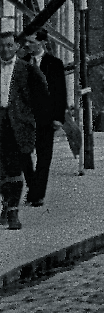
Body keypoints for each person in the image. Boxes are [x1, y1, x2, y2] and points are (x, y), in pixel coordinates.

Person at [1, 32, 49, 230]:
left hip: (17, 126)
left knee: (14, 169)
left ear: (16, 47)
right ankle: (6, 204)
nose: (5, 49)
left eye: (9, 45)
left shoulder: (27, 70)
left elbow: (42, 97)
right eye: (2, 45)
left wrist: (34, 121)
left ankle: (13, 212)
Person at [27, 33, 65, 207]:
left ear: (42, 43)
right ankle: (33, 187)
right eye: (26, 41)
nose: (27, 45)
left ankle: (37, 194)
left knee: (44, 156)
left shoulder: (54, 64)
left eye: (32, 42)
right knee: (24, 156)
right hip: (25, 118)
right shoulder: (22, 63)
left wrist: (58, 117)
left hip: (45, 117)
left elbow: (60, 93)